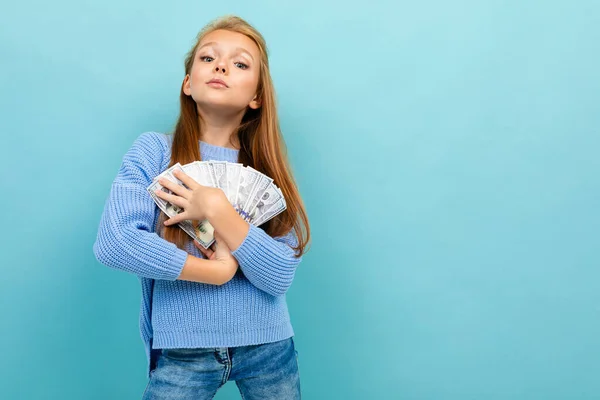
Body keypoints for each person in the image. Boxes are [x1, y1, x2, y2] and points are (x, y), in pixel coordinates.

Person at [92, 14, 311, 399]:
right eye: (208, 58)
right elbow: (116, 241)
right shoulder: (155, 151)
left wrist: (216, 208)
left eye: (241, 64)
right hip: (182, 350)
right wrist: (217, 271)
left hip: (269, 346)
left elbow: (279, 276)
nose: (222, 66)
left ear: (257, 96)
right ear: (188, 83)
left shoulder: (266, 169)